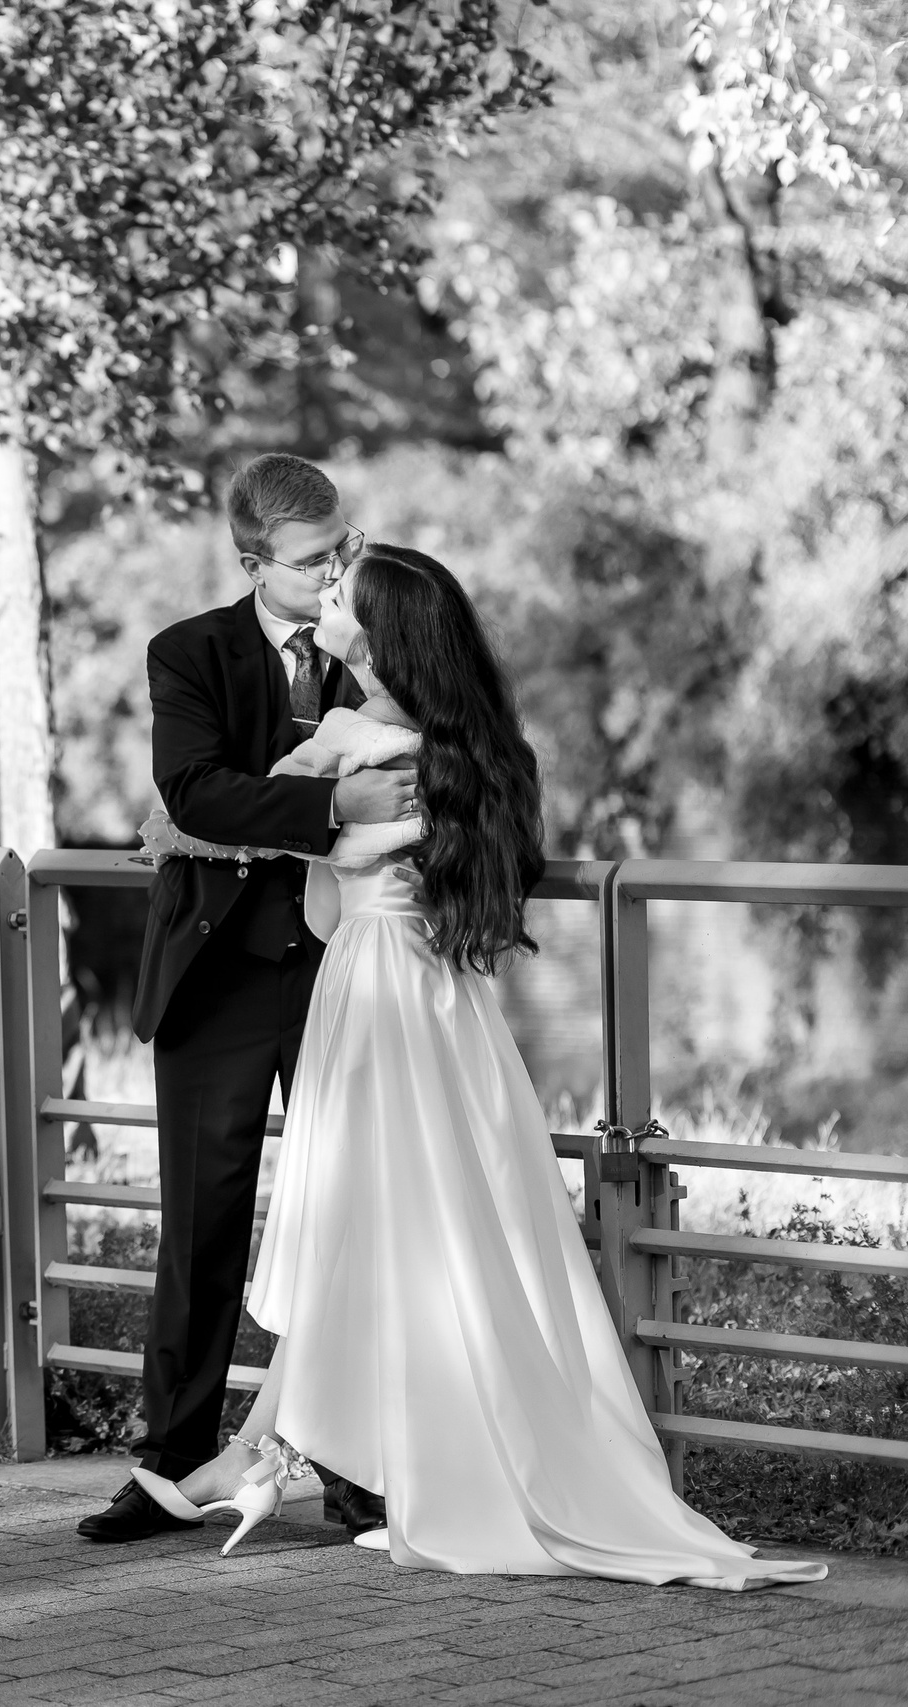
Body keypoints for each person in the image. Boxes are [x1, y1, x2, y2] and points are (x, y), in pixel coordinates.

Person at [131, 544, 826, 1589]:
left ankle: (266, 1457)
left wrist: (297, 786)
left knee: (369, 1228)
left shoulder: (363, 743)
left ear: (374, 638)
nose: (325, 598)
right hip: (441, 1003)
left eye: (341, 596)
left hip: (371, 997)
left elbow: (185, 829)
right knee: (417, 1230)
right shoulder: (458, 745)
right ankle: (267, 1454)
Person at [77, 455, 412, 1545]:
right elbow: (193, 790)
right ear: (252, 559)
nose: (333, 577)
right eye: (315, 562)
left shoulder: (375, 642)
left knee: (348, 1222)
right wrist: (331, 802)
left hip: (343, 978)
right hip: (216, 979)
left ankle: (351, 1466)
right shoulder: (188, 652)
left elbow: (442, 747)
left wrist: (369, 686)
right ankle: (173, 1465)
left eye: (343, 551)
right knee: (203, 1229)